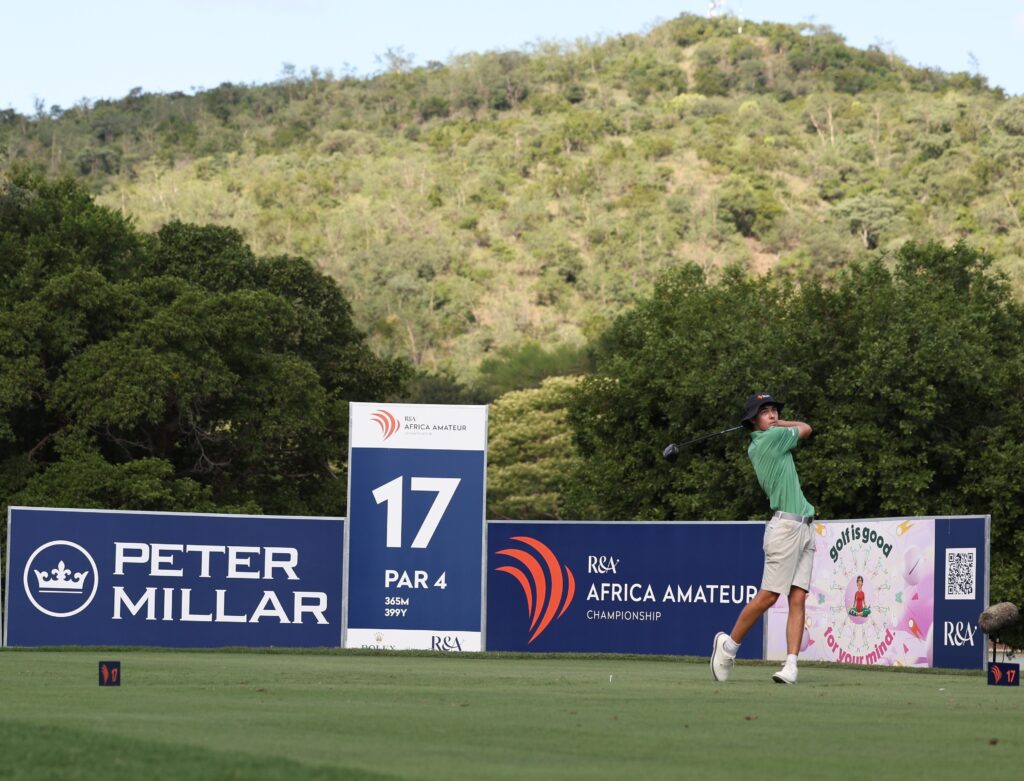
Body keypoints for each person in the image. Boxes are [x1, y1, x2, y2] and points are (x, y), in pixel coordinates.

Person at [711, 392, 814, 685]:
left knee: (798, 596)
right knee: (769, 595)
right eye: (765, 412)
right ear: (754, 421)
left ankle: (791, 665)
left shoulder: (770, 437)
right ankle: (729, 647)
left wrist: (776, 423)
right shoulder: (768, 440)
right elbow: (806, 428)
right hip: (784, 528)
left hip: (805, 526)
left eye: (774, 410)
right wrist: (782, 424)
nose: (772, 415)